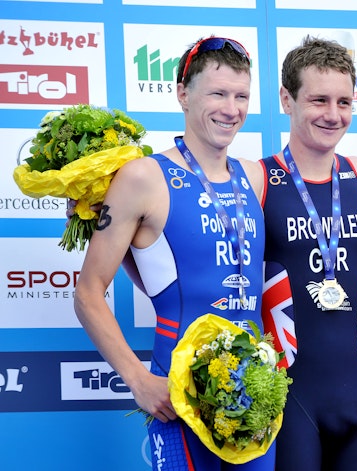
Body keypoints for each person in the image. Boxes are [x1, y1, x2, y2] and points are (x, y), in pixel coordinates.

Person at [74, 36, 273, 470]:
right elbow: (88, 293)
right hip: (176, 394)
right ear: (183, 93)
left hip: (254, 397)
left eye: (241, 96)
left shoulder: (254, 176)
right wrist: (137, 379)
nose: (231, 109)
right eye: (217, 94)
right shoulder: (143, 177)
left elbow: (167, 268)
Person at [258, 36, 357, 471]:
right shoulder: (257, 178)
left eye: (344, 102)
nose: (333, 115)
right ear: (286, 99)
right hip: (289, 396)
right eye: (319, 100)